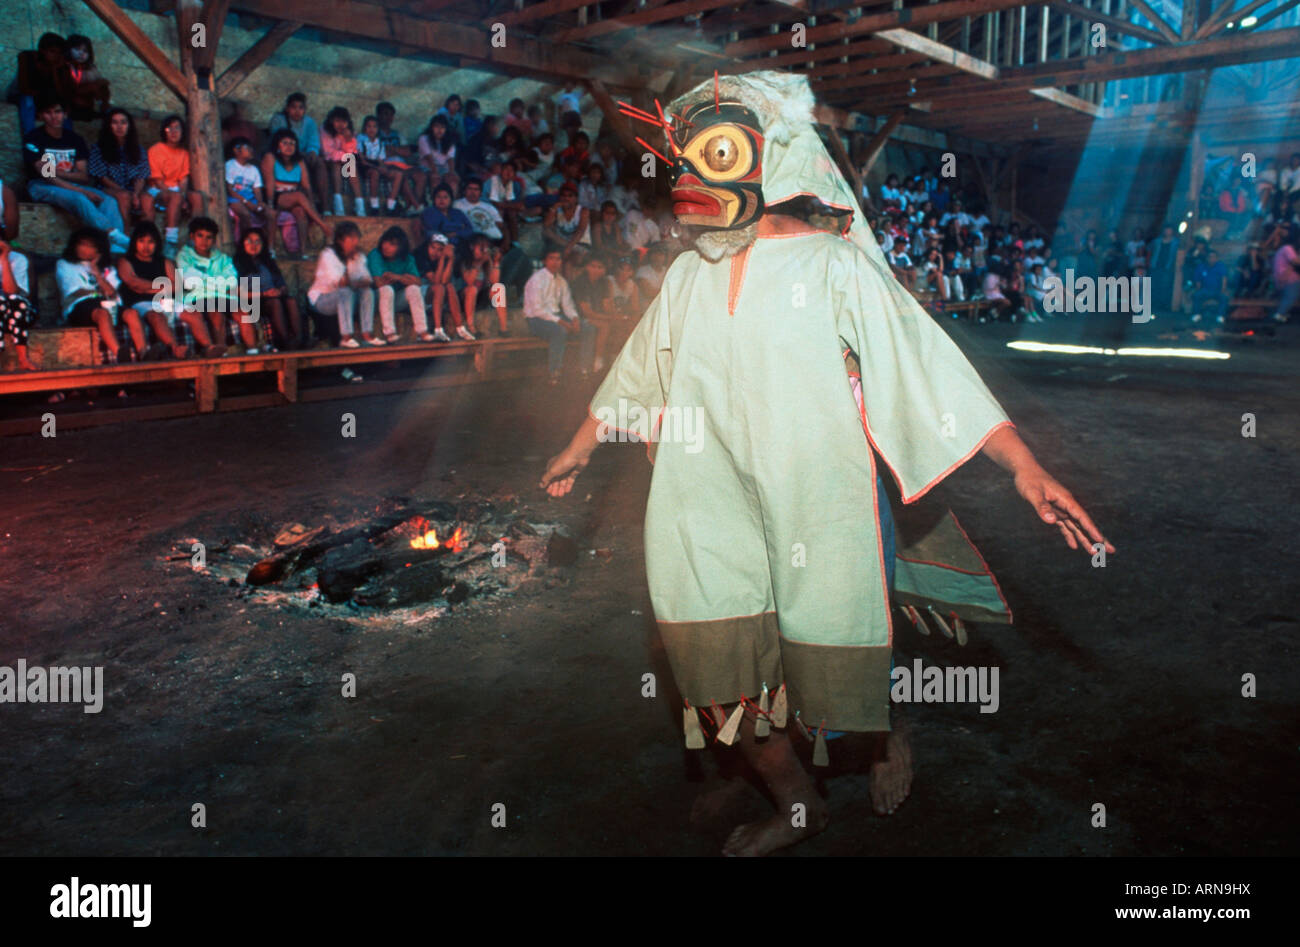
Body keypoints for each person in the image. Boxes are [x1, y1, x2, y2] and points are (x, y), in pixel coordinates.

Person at [539, 72, 1114, 855]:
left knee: (834, 659)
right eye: (683, 163)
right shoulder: (685, 276)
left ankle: (884, 734)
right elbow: (637, 373)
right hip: (703, 506)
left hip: (819, 502)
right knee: (714, 676)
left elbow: (924, 366)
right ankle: (799, 801)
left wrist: (1023, 465)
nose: (687, 183)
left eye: (713, 154)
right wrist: (579, 445)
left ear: (769, 158)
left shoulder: (836, 268)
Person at [24, 98, 129, 253]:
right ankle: (113, 234)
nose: (54, 117)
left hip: (69, 185)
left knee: (109, 201)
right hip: (40, 185)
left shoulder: (74, 139)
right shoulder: (34, 138)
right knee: (79, 198)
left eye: (58, 112)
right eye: (48, 113)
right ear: (40, 116)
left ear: (65, 114)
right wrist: (81, 189)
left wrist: (57, 172)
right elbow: (48, 177)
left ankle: (115, 250)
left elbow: (84, 176)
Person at [176, 216, 258, 352]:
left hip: (224, 297)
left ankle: (253, 352)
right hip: (198, 297)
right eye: (200, 236)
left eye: (209, 237)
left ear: (214, 240)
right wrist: (220, 283)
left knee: (243, 313)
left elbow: (232, 280)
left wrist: (205, 281)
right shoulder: (184, 256)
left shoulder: (223, 258)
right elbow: (190, 281)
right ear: (192, 236)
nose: (204, 241)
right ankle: (221, 354)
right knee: (216, 313)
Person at [115, 222, 196, 360]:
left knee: (193, 313)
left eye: (151, 242)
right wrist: (163, 287)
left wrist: (147, 288)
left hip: (166, 301)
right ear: (135, 242)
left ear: (157, 243)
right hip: (140, 302)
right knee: (156, 315)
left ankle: (209, 347)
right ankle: (176, 349)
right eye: (141, 241)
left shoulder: (164, 262)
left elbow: (177, 286)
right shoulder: (125, 261)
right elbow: (133, 283)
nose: (146, 246)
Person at [523, 247, 595, 383]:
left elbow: (568, 305)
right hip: (536, 320)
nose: (555, 262)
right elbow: (537, 310)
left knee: (588, 328)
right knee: (559, 331)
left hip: (557, 317)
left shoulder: (561, 281)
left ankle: (584, 369)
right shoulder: (536, 279)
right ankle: (555, 372)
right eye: (551, 258)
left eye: (558, 259)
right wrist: (561, 322)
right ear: (544, 261)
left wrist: (575, 318)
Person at [56, 227, 122, 363]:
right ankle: (120, 354)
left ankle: (144, 354)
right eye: (82, 244)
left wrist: (97, 274)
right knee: (103, 313)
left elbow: (111, 292)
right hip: (79, 306)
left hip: (108, 304)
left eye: (91, 246)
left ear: (99, 250)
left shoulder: (107, 268)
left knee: (132, 314)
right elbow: (75, 291)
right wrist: (99, 292)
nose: (84, 249)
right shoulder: (65, 264)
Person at [307, 220, 377, 348]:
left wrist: (354, 264)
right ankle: (346, 337)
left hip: (348, 297)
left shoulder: (358, 256)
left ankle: (367, 335)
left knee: (368, 292)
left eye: (357, 238)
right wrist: (349, 262)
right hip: (322, 300)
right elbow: (342, 283)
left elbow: (368, 281)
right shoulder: (328, 255)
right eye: (351, 238)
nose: (355, 242)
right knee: (345, 292)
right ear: (340, 240)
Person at [261, 129, 330, 256]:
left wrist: (312, 207)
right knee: (299, 196)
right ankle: (323, 225)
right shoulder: (270, 158)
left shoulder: (299, 162)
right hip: (274, 197)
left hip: (291, 198)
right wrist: (270, 204)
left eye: (292, 143)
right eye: (285, 143)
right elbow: (269, 183)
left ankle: (302, 251)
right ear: (277, 145)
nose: (289, 146)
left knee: (300, 212)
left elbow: (307, 186)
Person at [233, 227, 301, 350]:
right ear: (243, 243)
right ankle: (284, 342)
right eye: (249, 241)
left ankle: (298, 340)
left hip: (272, 296)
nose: (253, 245)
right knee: (274, 303)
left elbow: (282, 285)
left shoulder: (268, 263)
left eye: (258, 242)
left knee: (291, 301)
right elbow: (238, 293)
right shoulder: (237, 264)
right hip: (252, 301)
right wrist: (264, 294)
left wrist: (279, 291)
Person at [147, 115, 204, 255]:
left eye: (177, 128)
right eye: (169, 128)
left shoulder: (184, 153)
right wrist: (177, 196)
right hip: (158, 190)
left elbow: (183, 180)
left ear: (183, 131)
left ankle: (195, 238)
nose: (173, 132)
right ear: (164, 131)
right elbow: (158, 181)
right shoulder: (155, 150)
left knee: (197, 197)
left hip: (177, 190)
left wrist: (183, 196)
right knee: (176, 197)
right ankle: (171, 240)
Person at [368, 225, 435, 343]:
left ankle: (422, 332)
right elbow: (379, 283)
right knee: (387, 289)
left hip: (395, 300)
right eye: (385, 242)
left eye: (392, 244)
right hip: (376, 300)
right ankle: (389, 333)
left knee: (413, 289)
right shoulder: (376, 254)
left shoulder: (407, 259)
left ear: (401, 248)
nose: (386, 247)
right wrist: (406, 278)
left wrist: (398, 277)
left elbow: (418, 282)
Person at [90, 108, 153, 230]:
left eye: (123, 122)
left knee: (147, 199)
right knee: (124, 196)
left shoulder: (139, 150)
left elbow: (141, 177)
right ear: (109, 126)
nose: (119, 126)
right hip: (108, 188)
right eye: (115, 122)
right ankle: (126, 235)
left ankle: (147, 234)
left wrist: (135, 194)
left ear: (129, 126)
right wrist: (128, 194)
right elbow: (102, 178)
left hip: (133, 190)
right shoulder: (98, 149)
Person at [268, 93, 328, 211]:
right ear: (287, 108)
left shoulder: (309, 122)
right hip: (283, 155)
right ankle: (309, 203)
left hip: (304, 154)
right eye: (293, 107)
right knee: (300, 162)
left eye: (301, 108)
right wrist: (298, 153)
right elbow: (278, 140)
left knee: (319, 163)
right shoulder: (278, 120)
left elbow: (314, 142)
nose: (297, 111)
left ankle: (325, 207)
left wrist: (312, 152)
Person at [375, 101, 426, 211]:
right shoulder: (374, 133)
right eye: (385, 114)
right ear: (378, 115)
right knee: (402, 175)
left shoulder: (397, 134)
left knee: (421, 175)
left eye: (391, 115)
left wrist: (392, 149)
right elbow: (379, 153)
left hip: (402, 164)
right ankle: (415, 205)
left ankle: (411, 208)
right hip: (386, 165)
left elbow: (407, 152)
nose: (388, 118)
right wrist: (398, 150)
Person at [14, 33, 67, 134]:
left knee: (63, 108)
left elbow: (61, 93)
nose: (55, 56)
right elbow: (24, 88)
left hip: (43, 97)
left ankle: (66, 139)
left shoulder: (59, 64)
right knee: (28, 100)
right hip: (22, 95)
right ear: (42, 50)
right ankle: (30, 137)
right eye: (52, 51)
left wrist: (55, 70)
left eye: (59, 53)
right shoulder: (27, 57)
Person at [455, 233, 506, 338]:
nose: (484, 251)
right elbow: (469, 281)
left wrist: (495, 262)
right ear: (472, 247)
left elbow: (494, 281)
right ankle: (471, 327)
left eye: (486, 247)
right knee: (472, 289)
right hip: (464, 296)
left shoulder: (487, 261)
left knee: (499, 288)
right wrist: (479, 262)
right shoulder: (465, 261)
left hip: (481, 295)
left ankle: (503, 328)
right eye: (481, 247)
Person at [414, 232, 461, 342]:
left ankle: (460, 328)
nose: (435, 252)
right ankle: (438, 329)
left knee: (449, 286)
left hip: (437, 296)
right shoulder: (420, 256)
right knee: (439, 288)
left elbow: (444, 281)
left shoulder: (444, 259)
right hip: (420, 295)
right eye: (433, 248)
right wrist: (442, 258)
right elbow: (436, 281)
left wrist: (450, 259)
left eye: (440, 250)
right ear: (428, 246)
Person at [0, 235, 37, 370]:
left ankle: (23, 359)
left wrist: (4, 259)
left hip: (17, 313)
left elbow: (11, 291)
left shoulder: (18, 259)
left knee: (18, 302)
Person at [321, 107, 364, 217]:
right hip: (328, 161)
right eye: (337, 121)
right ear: (331, 120)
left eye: (344, 121)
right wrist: (344, 156)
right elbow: (328, 152)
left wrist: (348, 140)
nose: (340, 125)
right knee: (337, 165)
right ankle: (338, 203)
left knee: (351, 164)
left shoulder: (349, 133)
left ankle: (359, 205)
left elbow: (352, 152)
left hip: (344, 160)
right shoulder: (325, 131)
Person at [357, 115, 404, 216]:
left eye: (374, 126)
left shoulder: (380, 142)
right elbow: (362, 160)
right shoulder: (361, 139)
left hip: (377, 165)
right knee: (375, 173)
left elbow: (381, 160)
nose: (371, 129)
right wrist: (377, 168)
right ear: (364, 128)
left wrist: (384, 168)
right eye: (369, 126)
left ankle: (390, 205)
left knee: (398, 174)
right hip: (365, 167)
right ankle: (374, 206)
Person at [60, 35, 109, 124]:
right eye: (77, 49)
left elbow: (102, 84)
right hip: (69, 107)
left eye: (85, 51)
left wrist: (103, 99)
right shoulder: (65, 67)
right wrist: (92, 86)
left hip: (88, 107)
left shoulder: (90, 68)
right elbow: (71, 90)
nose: (81, 53)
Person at [225, 136, 267, 237]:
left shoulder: (253, 169)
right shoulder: (230, 165)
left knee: (270, 214)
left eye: (251, 148)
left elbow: (257, 190)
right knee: (245, 214)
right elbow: (229, 189)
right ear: (236, 150)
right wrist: (246, 202)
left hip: (250, 197)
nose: (251, 150)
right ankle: (246, 240)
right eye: (247, 148)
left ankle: (270, 244)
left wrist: (260, 202)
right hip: (234, 198)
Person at [543, 183, 590, 259]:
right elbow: (546, 225)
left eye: (570, 196)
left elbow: (580, 231)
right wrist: (554, 208)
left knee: (575, 258)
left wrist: (569, 248)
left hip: (580, 244)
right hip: (562, 244)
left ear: (576, 198)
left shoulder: (583, 210)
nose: (566, 198)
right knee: (547, 231)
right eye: (563, 195)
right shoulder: (557, 210)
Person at [485, 161, 526, 247]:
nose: (508, 172)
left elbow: (519, 204)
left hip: (504, 208)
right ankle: (503, 242)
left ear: (514, 174)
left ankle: (515, 241)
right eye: (506, 169)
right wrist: (510, 206)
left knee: (512, 213)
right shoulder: (492, 181)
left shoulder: (515, 185)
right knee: (501, 211)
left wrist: (510, 206)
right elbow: (494, 203)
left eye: (511, 170)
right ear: (501, 171)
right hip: (488, 208)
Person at [420, 183, 474, 248]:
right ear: (434, 199)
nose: (441, 200)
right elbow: (434, 231)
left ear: (450, 200)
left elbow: (470, 229)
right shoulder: (429, 212)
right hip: (440, 245)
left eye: (445, 197)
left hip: (461, 243)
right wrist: (459, 228)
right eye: (438, 197)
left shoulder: (457, 212)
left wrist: (456, 233)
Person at [454, 178, 505, 243]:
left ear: (480, 192)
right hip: (473, 240)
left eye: (476, 189)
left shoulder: (489, 207)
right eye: (470, 189)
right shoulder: (457, 204)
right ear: (465, 191)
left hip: (495, 240)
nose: (472, 192)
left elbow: (500, 224)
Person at [418, 114, 459, 194]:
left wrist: (452, 172)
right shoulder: (424, 139)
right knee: (435, 180)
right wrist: (435, 172)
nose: (439, 130)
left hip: (443, 168)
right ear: (431, 128)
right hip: (427, 168)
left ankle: (451, 201)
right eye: (436, 127)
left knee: (453, 181)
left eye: (442, 127)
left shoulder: (450, 141)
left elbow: (450, 159)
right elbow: (429, 159)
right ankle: (435, 201)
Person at [1190, 249, 1229, 323]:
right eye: (1210, 257)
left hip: (1217, 290)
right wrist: (1198, 289)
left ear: (1217, 258)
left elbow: (1224, 279)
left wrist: (1223, 289)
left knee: (1224, 298)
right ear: (1207, 258)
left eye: (1214, 257)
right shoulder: (1201, 266)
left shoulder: (1221, 266)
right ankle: (1197, 314)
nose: (1212, 258)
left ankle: (1220, 316)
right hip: (1205, 290)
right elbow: (1198, 280)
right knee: (1196, 295)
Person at [1147, 225, 1178, 313]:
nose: (1167, 232)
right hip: (1155, 265)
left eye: (1169, 230)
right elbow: (1148, 250)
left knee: (1165, 286)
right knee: (1154, 285)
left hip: (1167, 267)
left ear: (1172, 231)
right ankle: (1153, 303)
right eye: (1166, 230)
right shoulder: (1157, 241)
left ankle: (1163, 305)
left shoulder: (1176, 242)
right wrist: (1149, 262)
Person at [1271, 228, 1300, 323]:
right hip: (1287, 278)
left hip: (1283, 277)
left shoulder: (1283, 249)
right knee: (1291, 296)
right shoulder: (1287, 248)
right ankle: (1280, 314)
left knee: (1290, 296)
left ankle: (1283, 313)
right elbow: (1295, 261)